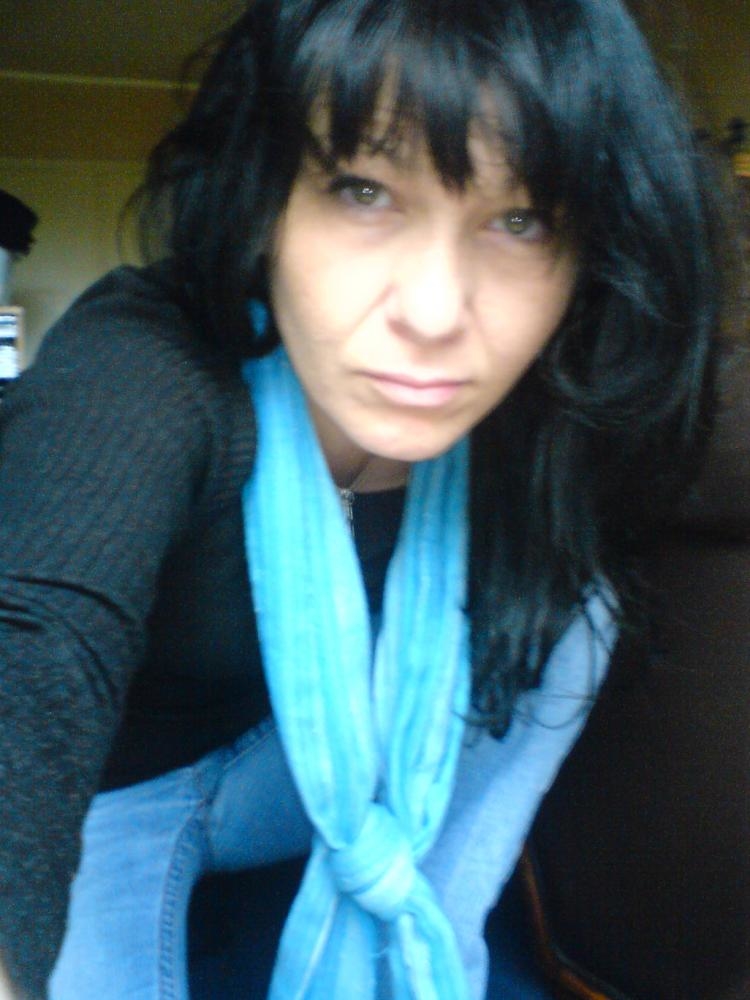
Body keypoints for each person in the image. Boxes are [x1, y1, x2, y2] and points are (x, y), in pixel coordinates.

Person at [0, 0, 730, 997]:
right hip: (114, 797)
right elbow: (31, 626)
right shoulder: (153, 363)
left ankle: (439, 924)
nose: (433, 313)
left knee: (580, 606)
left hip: (311, 769)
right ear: (265, 198)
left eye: (520, 220)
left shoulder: (550, 401)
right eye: (363, 190)